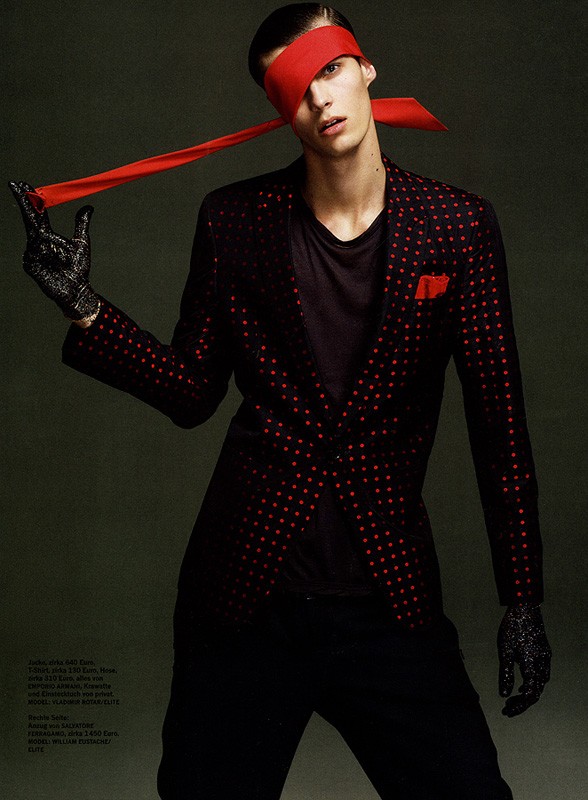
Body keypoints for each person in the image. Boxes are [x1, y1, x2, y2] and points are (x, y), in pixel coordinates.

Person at [10, 4, 552, 799]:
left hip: (388, 599)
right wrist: (85, 309)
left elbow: (500, 428)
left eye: (330, 68)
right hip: (243, 599)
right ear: (279, 109)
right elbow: (193, 392)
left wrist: (522, 599)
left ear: (366, 68)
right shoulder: (235, 220)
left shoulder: (457, 226)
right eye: (295, 87)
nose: (320, 98)